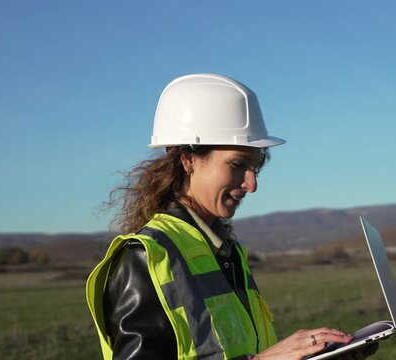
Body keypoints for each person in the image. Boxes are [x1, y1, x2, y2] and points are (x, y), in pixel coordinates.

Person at [86, 73, 377, 360]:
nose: (252, 184)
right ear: (188, 160)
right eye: (238, 165)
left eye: (255, 167)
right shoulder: (146, 257)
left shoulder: (228, 253)